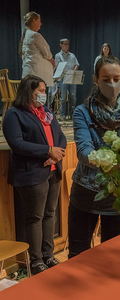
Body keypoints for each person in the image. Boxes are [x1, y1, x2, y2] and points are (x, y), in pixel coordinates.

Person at [68, 56, 120, 258]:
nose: (112, 84)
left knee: (113, 257)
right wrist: (115, 163)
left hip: (118, 196)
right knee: (78, 256)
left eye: (116, 78)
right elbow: (84, 152)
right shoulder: (82, 112)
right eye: (106, 79)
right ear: (95, 80)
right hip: (86, 193)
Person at [2, 75, 67, 275]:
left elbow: (61, 137)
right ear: (29, 91)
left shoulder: (45, 112)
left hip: (52, 170)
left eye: (44, 90)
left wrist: (56, 156)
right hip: (31, 173)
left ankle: (48, 255)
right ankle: (36, 260)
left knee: (50, 214)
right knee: (35, 218)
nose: (43, 94)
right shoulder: (14, 114)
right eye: (40, 90)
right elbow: (17, 143)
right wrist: (47, 151)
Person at [20, 11, 55, 87]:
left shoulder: (26, 35)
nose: (41, 24)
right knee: (39, 97)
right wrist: (52, 61)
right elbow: (47, 54)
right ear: (34, 21)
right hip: (37, 74)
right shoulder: (35, 35)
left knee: (30, 96)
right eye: (39, 21)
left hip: (29, 72)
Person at [54, 38, 80, 120]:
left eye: (67, 44)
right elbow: (56, 67)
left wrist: (73, 70)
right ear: (61, 45)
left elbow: (76, 64)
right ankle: (62, 115)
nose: (66, 46)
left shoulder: (72, 55)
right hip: (62, 78)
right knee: (63, 98)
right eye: (64, 44)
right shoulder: (58, 55)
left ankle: (73, 115)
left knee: (73, 96)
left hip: (72, 77)